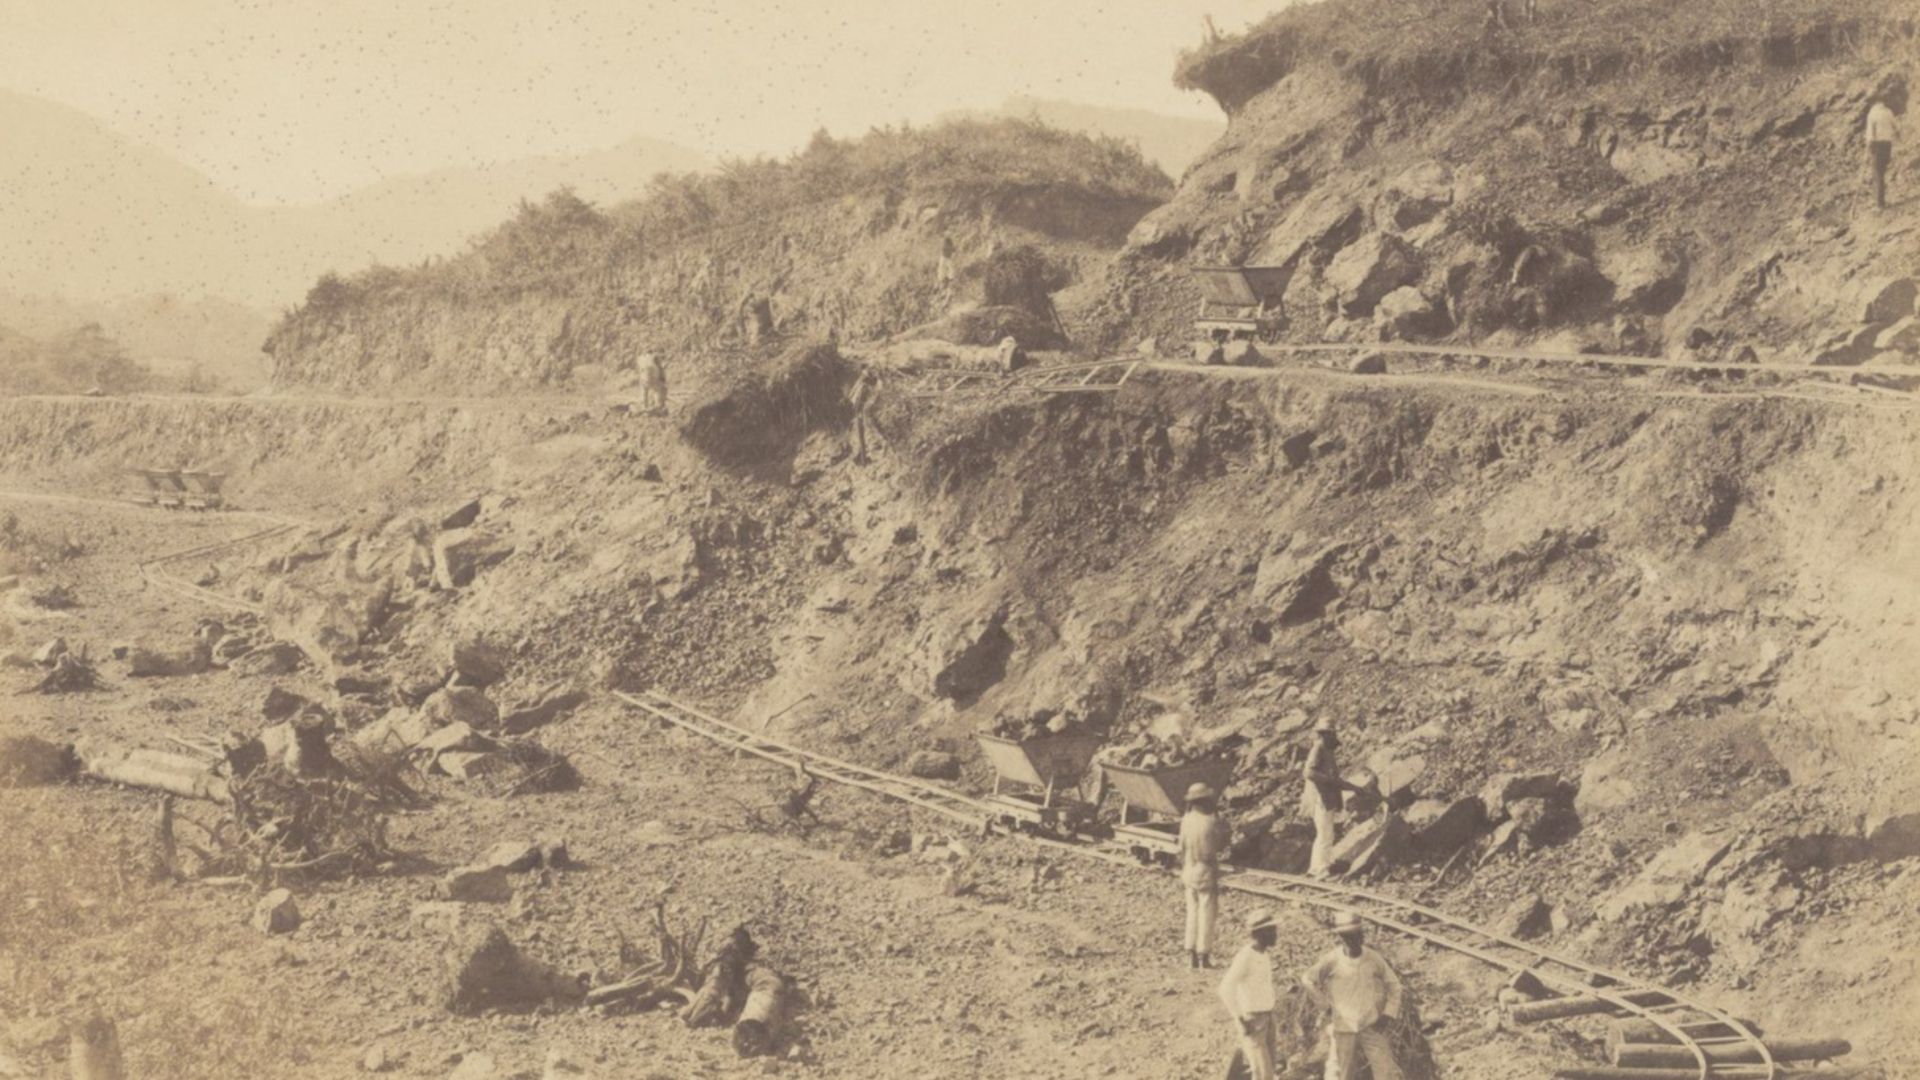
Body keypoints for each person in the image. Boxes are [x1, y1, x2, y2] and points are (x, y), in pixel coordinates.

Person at [1301, 912, 1405, 1080]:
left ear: (1361, 935)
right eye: (1348, 937)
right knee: (1341, 1072)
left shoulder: (1372, 958)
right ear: (1341, 937)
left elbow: (1394, 985)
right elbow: (1308, 979)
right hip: (1344, 1027)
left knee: (1386, 1071)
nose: (1353, 940)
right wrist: (1325, 1006)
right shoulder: (1332, 959)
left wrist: (1387, 1013)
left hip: (1371, 1024)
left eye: (1357, 935)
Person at [1218, 909, 1280, 1080]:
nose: (1276, 934)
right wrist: (1239, 1018)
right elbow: (1225, 988)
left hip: (1267, 1016)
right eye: (1271, 930)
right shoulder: (1245, 956)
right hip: (1253, 1019)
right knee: (1261, 1072)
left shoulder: (1264, 953)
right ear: (1259, 933)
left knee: (1269, 1070)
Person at [1302, 719, 1365, 877]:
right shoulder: (1318, 749)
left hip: (1327, 799)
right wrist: (1329, 780)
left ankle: (1323, 865)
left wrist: (1354, 788)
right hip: (1320, 799)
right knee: (1324, 834)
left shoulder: (1327, 751)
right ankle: (1320, 869)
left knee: (1327, 834)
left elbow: (1335, 780)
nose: (1333, 737)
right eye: (1331, 733)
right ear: (1325, 735)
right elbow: (1309, 773)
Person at [1178, 781, 1231, 968]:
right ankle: (1203, 955)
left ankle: (1189, 953)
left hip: (1188, 869)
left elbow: (1180, 847)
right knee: (1206, 913)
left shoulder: (1186, 819)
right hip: (1205, 870)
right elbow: (1219, 846)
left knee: (1191, 912)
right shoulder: (1211, 822)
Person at [1867, 95, 1898, 210]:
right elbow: (1896, 127)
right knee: (1882, 172)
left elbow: (1871, 134)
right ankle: (1881, 200)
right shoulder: (1888, 112)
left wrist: (1870, 148)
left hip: (1878, 145)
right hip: (1887, 145)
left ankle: (1880, 204)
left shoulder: (1872, 113)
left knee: (1877, 173)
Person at [848, 367, 877, 464]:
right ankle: (863, 459)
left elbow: (851, 397)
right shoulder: (863, 387)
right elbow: (858, 401)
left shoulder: (858, 385)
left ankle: (861, 457)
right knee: (861, 436)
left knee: (860, 436)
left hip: (856, 413)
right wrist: (859, 414)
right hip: (858, 414)